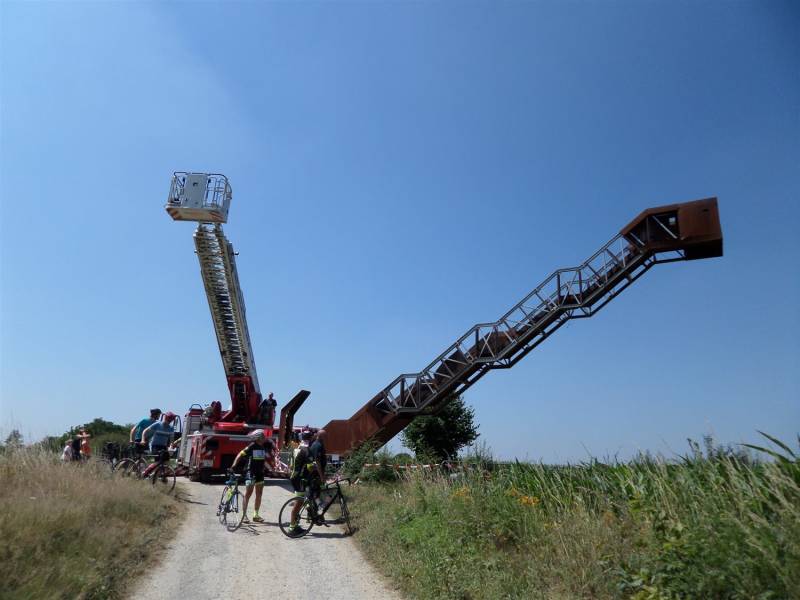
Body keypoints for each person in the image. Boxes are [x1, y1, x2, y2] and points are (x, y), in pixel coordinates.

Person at [230, 429, 276, 523]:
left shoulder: (262, 447)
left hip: (260, 473)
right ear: (258, 437)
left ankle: (256, 515)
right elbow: (240, 454)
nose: (265, 437)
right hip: (250, 472)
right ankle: (244, 516)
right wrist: (234, 465)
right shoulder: (251, 446)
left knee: (259, 494)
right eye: (263, 436)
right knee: (248, 494)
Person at [288, 429, 314, 534]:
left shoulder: (296, 448)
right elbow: (310, 467)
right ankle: (292, 527)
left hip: (294, 477)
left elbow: (291, 465)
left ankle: (295, 524)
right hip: (300, 478)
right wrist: (315, 467)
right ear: (310, 438)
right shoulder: (307, 450)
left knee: (300, 501)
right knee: (298, 503)